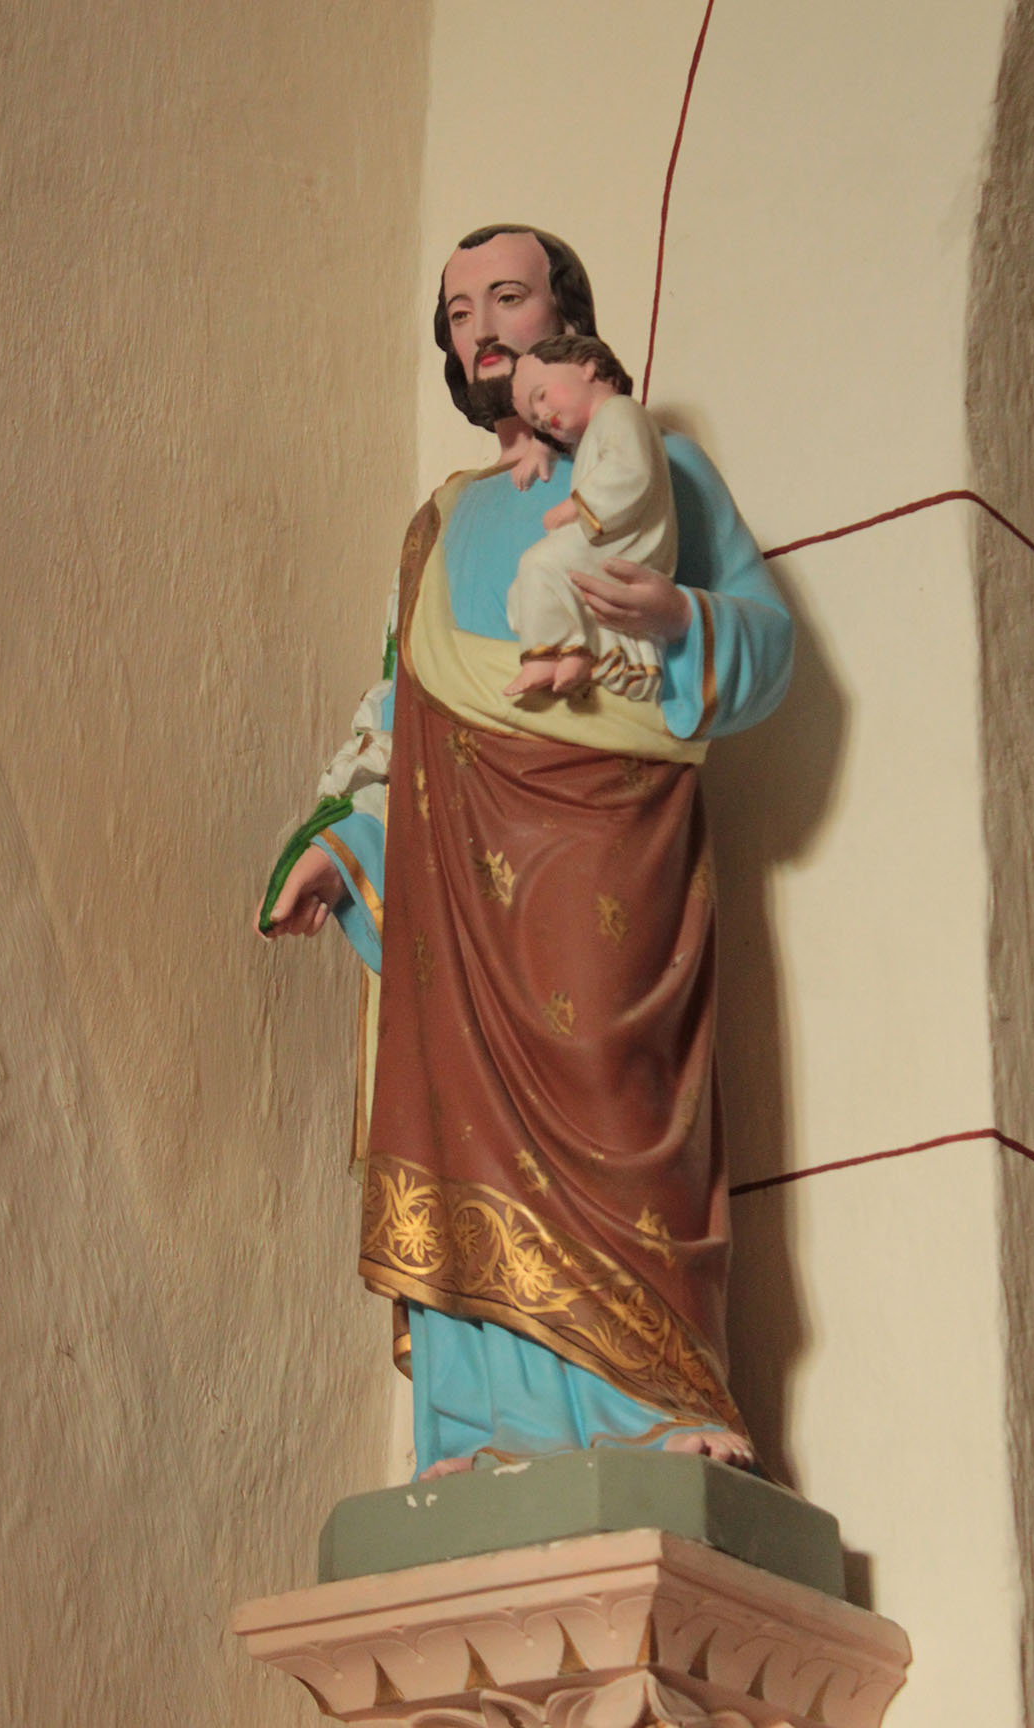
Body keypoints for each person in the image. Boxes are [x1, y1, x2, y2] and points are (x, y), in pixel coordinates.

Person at [260, 226, 792, 1480]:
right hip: (458, 876)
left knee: (616, 1078)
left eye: (507, 298)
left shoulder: (659, 465)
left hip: (612, 846)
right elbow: (407, 719)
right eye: (458, 314)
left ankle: (655, 1393)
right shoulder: (441, 521)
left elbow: (769, 647)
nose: (482, 329)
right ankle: (484, 1425)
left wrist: (677, 614)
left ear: (567, 318)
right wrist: (347, 845)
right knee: (460, 1115)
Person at [504, 334, 673, 701]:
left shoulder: (620, 411)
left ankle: (546, 656)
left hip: (628, 540)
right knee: (526, 587)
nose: (542, 416)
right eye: (536, 421)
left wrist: (573, 508)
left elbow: (630, 471)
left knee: (539, 563)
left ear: (588, 368)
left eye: (541, 396)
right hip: (610, 534)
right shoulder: (596, 432)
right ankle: (574, 653)